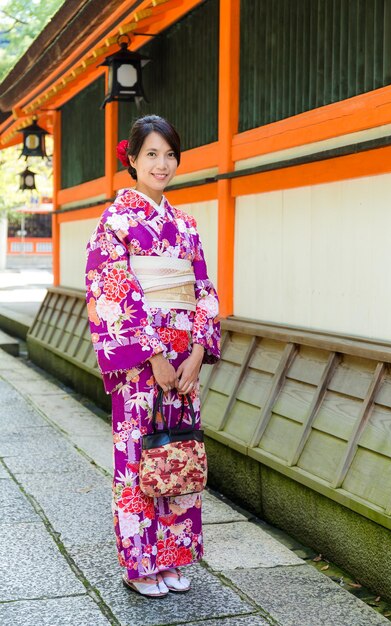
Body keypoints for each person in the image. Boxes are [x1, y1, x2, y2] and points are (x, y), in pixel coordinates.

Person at [85, 115, 221, 598]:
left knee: (178, 453)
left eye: (169, 155)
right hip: (143, 366)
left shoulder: (185, 223)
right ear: (132, 160)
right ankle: (140, 562)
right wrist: (154, 356)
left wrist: (198, 350)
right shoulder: (116, 220)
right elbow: (110, 289)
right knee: (139, 458)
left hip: (184, 364)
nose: (162, 164)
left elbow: (203, 289)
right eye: (151, 155)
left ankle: (174, 556)